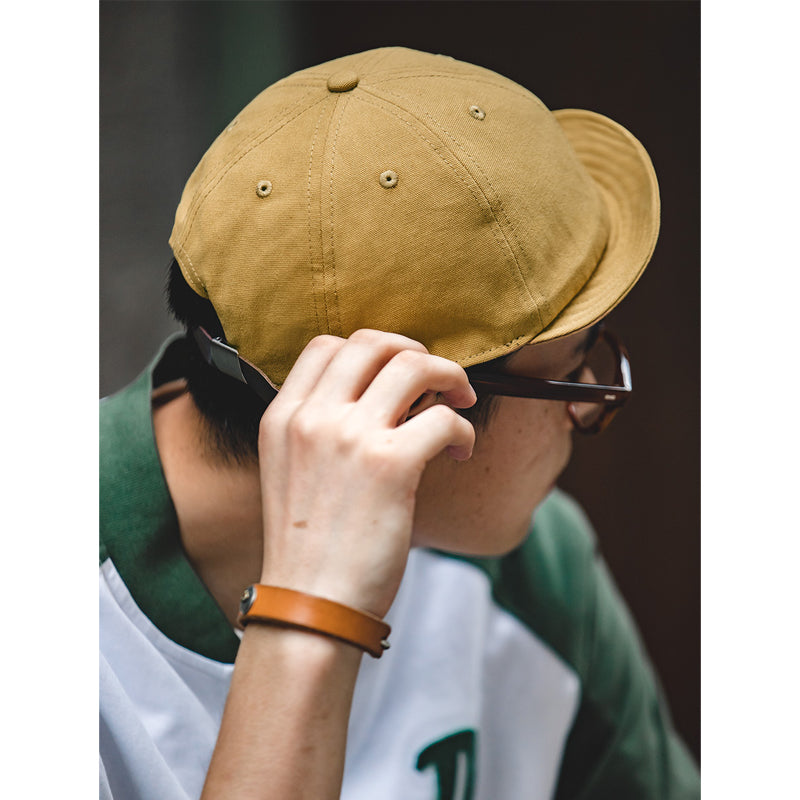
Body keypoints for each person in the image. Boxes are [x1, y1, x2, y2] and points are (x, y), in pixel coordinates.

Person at [99, 46, 699, 799]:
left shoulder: (531, 566)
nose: (586, 405)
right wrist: (313, 618)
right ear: (414, 408)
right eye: (575, 367)